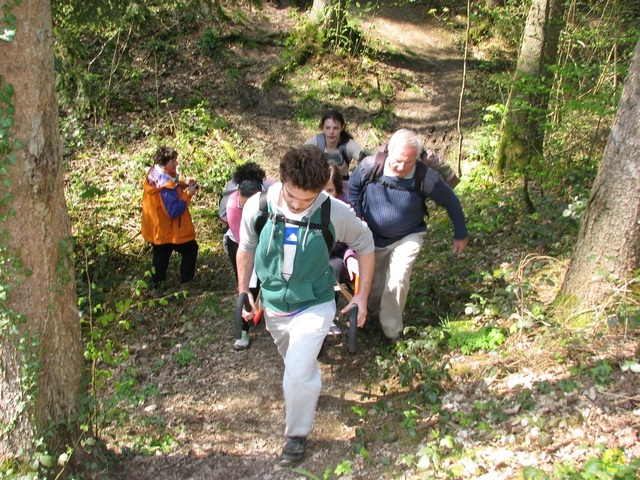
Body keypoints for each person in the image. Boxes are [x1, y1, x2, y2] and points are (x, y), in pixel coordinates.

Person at [236, 145, 375, 466]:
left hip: (316, 302)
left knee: (297, 371)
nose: (298, 205)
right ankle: (305, 387)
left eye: (307, 199)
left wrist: (361, 296)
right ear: (280, 181)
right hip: (273, 305)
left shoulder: (334, 212)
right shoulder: (258, 206)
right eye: (291, 196)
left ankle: (296, 436)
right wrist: (244, 291)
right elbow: (245, 248)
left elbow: (365, 244)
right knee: (297, 365)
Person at [348, 129, 468, 344]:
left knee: (397, 280)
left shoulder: (425, 177)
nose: (403, 167)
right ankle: (370, 319)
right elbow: (354, 188)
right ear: (389, 152)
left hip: (408, 236)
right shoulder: (370, 166)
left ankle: (392, 332)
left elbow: (451, 201)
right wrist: (358, 217)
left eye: (410, 162)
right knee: (374, 284)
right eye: (399, 161)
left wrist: (460, 232)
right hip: (372, 236)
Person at [224, 163, 273, 350]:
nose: (248, 210)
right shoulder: (232, 206)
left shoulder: (272, 191)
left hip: (267, 233)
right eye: (245, 206)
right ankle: (243, 328)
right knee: (249, 282)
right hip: (239, 241)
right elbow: (246, 245)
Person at [142, 146, 199, 289]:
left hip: (158, 228)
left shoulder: (154, 174)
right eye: (173, 161)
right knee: (190, 249)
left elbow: (170, 188)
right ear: (164, 163)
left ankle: (157, 290)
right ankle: (186, 284)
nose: (176, 164)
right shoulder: (166, 185)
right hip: (170, 230)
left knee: (160, 260)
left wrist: (183, 183)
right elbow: (173, 210)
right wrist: (188, 194)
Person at [304, 109, 363, 179]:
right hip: (318, 185)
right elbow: (296, 159)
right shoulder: (315, 142)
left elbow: (365, 161)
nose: (331, 132)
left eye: (335, 128)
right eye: (327, 128)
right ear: (322, 127)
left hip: (342, 185)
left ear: (342, 128)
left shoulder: (348, 145)